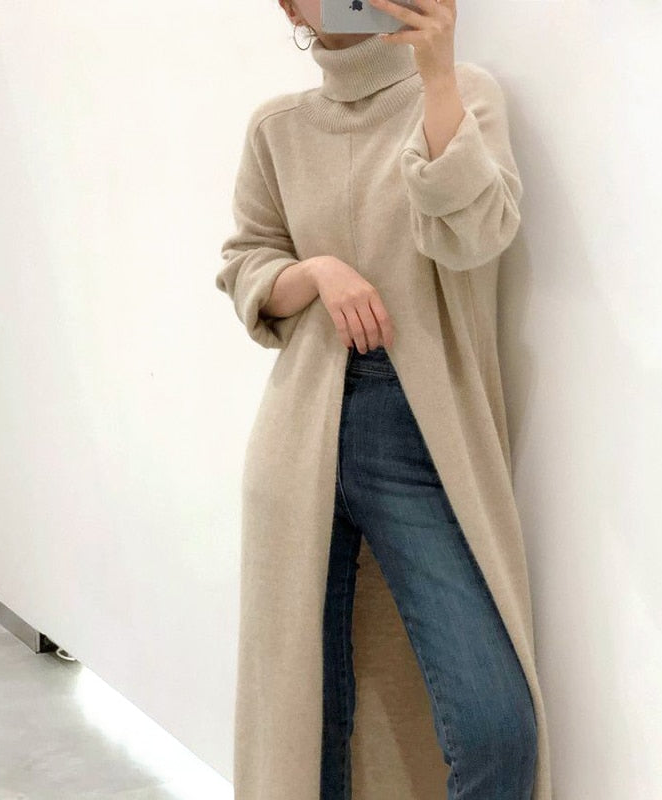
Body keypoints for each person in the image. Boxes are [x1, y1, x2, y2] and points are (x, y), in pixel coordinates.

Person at [215, 1, 553, 798]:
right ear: (291, 7)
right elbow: (246, 262)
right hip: (300, 435)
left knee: (496, 727)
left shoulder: (461, 92)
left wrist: (436, 74)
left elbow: (477, 234)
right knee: (312, 721)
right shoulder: (277, 129)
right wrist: (318, 273)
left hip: (422, 436)